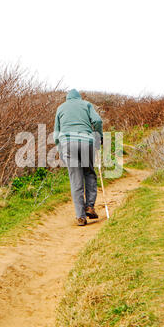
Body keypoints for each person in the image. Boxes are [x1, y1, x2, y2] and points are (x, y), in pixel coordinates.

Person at [53, 89, 103, 226]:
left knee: (75, 179)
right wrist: (99, 136)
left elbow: (56, 134)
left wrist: (60, 148)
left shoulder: (60, 108)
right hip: (87, 142)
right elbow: (98, 120)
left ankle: (80, 216)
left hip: (68, 143)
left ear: (67, 98)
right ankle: (90, 206)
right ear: (79, 98)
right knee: (89, 174)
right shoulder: (86, 105)